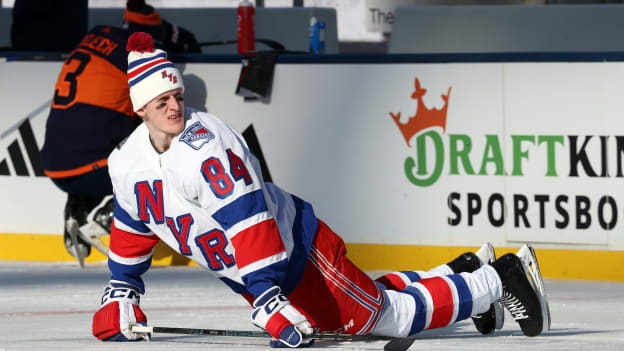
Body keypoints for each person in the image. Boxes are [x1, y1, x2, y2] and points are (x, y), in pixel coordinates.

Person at [92, 32, 551, 347]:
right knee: (365, 302)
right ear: (141, 109)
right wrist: (122, 291)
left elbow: (249, 219)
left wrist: (268, 298)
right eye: (161, 101)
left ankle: (500, 278)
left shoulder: (204, 143)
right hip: (263, 278)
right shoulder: (128, 162)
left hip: (296, 254)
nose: (174, 106)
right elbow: (135, 223)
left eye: (176, 96)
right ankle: (464, 270)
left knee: (384, 320)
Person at [39, 0, 201, 266]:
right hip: (91, 169)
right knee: (160, 159)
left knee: (96, 143)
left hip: (56, 167)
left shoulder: (97, 33)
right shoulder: (141, 56)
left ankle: (77, 210)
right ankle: (110, 215)